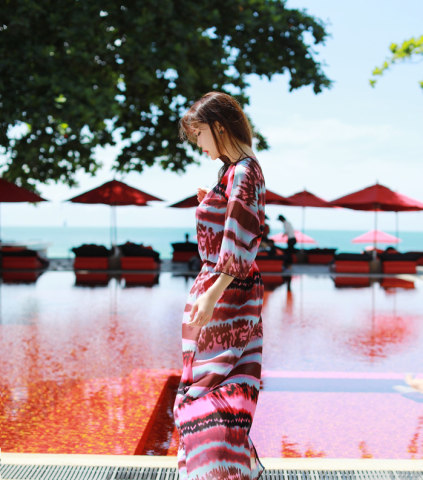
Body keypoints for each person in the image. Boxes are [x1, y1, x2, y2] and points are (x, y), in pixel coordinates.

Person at [173, 91, 266, 480]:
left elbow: (240, 236)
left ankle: (217, 470)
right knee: (218, 384)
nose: (199, 144)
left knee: (208, 389)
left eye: (199, 134)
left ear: (218, 127)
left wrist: (212, 295)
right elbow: (231, 224)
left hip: (227, 292)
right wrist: (210, 201)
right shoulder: (232, 172)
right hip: (222, 286)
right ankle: (234, 467)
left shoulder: (243, 171)